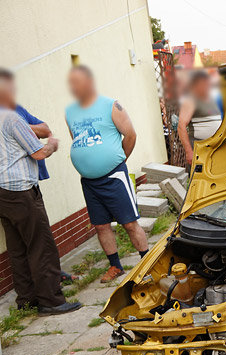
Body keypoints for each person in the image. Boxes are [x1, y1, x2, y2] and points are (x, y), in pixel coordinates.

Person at [0, 69, 81, 314]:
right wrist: (53, 144)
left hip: (2, 193)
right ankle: (51, 301)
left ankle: (26, 300)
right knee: (41, 246)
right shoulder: (12, 118)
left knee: (17, 249)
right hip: (21, 192)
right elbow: (39, 152)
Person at [65, 65, 148, 283]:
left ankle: (148, 263)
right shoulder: (69, 112)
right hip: (89, 182)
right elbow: (76, 139)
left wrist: (118, 161)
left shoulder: (111, 105)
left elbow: (130, 134)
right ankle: (115, 266)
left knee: (129, 223)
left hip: (114, 176)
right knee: (101, 226)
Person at [13, 95, 77, 284]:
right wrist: (47, 143)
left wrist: (24, 127)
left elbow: (45, 129)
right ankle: (50, 295)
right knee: (40, 241)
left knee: (24, 243)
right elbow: (40, 152)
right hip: (19, 188)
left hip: (26, 184)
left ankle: (28, 297)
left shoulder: (15, 109)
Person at [178, 70, 222, 167]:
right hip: (199, 147)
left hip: (215, 146)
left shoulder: (212, 98)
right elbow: (181, 125)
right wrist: (189, 151)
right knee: (200, 179)